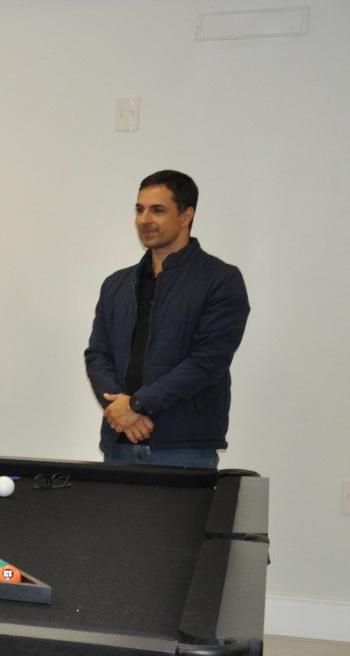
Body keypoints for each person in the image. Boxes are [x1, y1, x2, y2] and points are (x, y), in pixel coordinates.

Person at [84, 170, 250, 467]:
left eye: (157, 210)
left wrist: (137, 405)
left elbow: (207, 362)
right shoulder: (116, 284)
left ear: (186, 215)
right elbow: (97, 355)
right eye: (139, 209)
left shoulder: (221, 280)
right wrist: (121, 413)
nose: (144, 219)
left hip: (185, 450)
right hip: (119, 446)